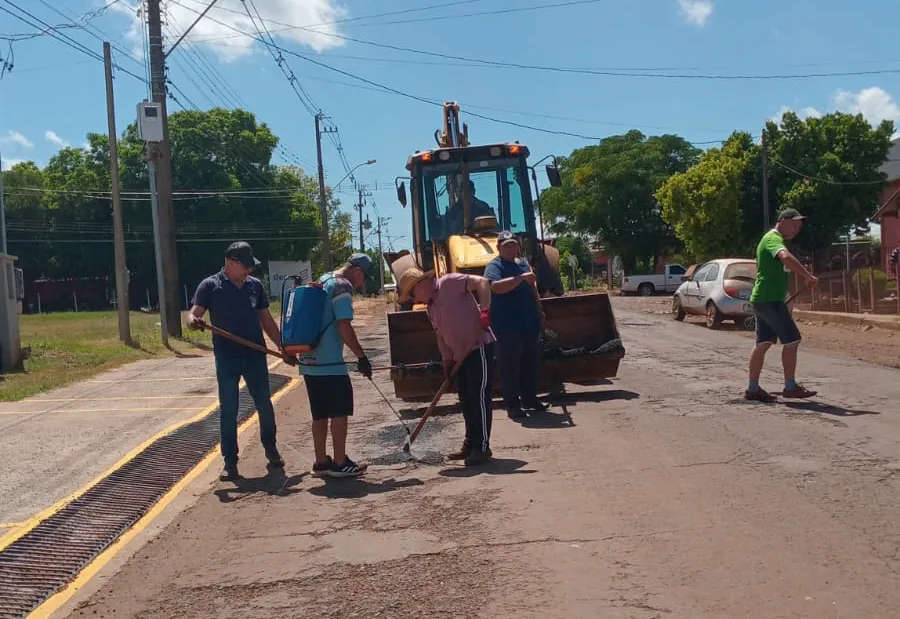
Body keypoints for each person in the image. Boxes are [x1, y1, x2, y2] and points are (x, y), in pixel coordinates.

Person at [187, 241, 295, 481]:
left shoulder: (254, 286)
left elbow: (266, 319)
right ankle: (230, 462)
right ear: (231, 262)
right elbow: (193, 313)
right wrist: (193, 321)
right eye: (245, 266)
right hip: (227, 357)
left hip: (255, 355)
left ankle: (270, 447)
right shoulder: (211, 286)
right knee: (229, 409)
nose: (250, 271)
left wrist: (282, 347)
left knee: (264, 405)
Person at [397, 266, 496, 466]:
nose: (413, 300)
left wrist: (484, 312)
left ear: (421, 284)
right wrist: (447, 361)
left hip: (479, 347)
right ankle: (470, 444)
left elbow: (483, 283)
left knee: (478, 397)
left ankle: (482, 448)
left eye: (412, 293)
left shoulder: (449, 283)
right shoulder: (430, 308)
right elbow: (441, 338)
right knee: (467, 401)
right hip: (461, 357)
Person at [299, 253, 374, 478]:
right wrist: (362, 357)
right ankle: (340, 463)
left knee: (319, 414)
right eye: (364, 278)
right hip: (330, 362)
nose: (361, 284)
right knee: (339, 413)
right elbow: (344, 327)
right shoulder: (343, 287)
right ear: (358, 272)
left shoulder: (324, 280)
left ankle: (321, 463)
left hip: (308, 361)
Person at [746, 208, 819, 402]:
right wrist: (807, 275)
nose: (796, 229)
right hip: (769, 299)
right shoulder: (773, 239)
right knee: (792, 340)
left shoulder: (774, 240)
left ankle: (753, 388)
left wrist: (802, 278)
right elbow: (786, 258)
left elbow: (783, 266)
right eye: (794, 224)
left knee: (763, 343)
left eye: (798, 227)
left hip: (763, 298)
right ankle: (790, 386)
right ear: (782, 220)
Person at [483, 231, 549, 419]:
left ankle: (530, 399)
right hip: (506, 325)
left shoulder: (523, 263)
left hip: (528, 322)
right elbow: (495, 287)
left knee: (530, 363)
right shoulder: (494, 266)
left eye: (513, 245)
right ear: (499, 248)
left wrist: (540, 308)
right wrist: (520, 278)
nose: (511, 248)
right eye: (507, 245)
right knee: (509, 367)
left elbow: (532, 287)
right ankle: (512, 405)